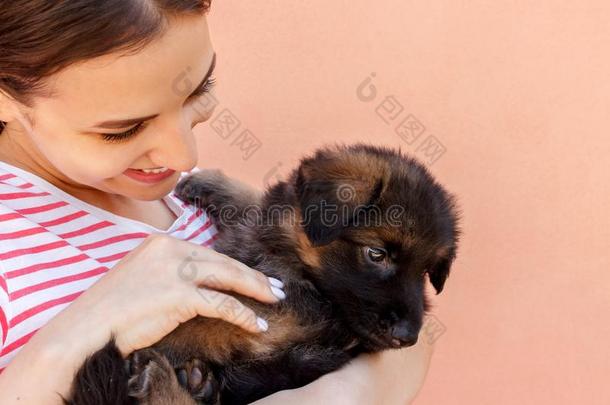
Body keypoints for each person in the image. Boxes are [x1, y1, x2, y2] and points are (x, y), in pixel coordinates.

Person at [0, 1, 434, 403]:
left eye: (198, 89)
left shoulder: (183, 191)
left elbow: (401, 335)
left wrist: (336, 394)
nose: (184, 156)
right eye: (123, 129)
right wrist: (81, 332)